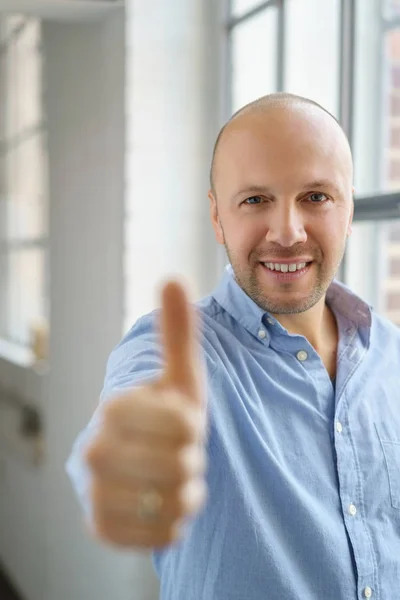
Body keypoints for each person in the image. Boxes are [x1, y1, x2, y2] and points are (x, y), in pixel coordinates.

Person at [66, 92, 400, 600]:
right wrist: (131, 464)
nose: (287, 233)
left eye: (316, 197)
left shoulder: (392, 355)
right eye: (255, 200)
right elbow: (125, 431)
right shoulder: (175, 350)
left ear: (349, 208)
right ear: (218, 216)